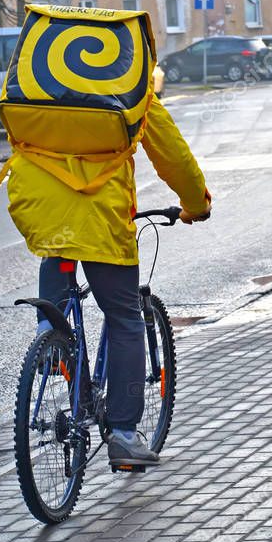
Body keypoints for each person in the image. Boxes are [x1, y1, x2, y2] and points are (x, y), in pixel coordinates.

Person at [12, 92, 211, 469]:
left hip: (37, 203)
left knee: (58, 253)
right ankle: (123, 435)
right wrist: (196, 204)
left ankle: (50, 339)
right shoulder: (128, 84)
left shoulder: (44, 74)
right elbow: (172, 154)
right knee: (124, 317)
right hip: (100, 215)